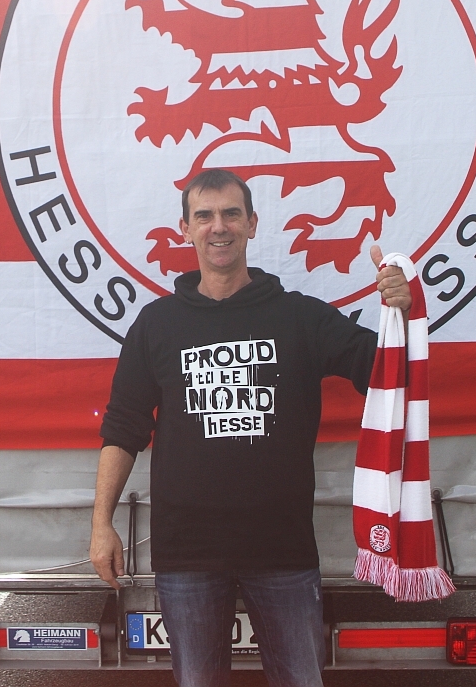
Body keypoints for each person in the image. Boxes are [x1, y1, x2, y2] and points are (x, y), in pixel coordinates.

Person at [90, 168, 411, 687]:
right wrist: (100, 523)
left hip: (282, 550)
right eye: (204, 216)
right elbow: (123, 429)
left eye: (231, 214)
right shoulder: (156, 324)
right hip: (187, 554)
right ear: (185, 229)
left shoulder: (301, 318)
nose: (218, 227)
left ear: (252, 224)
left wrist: (402, 311)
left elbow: (385, 370)